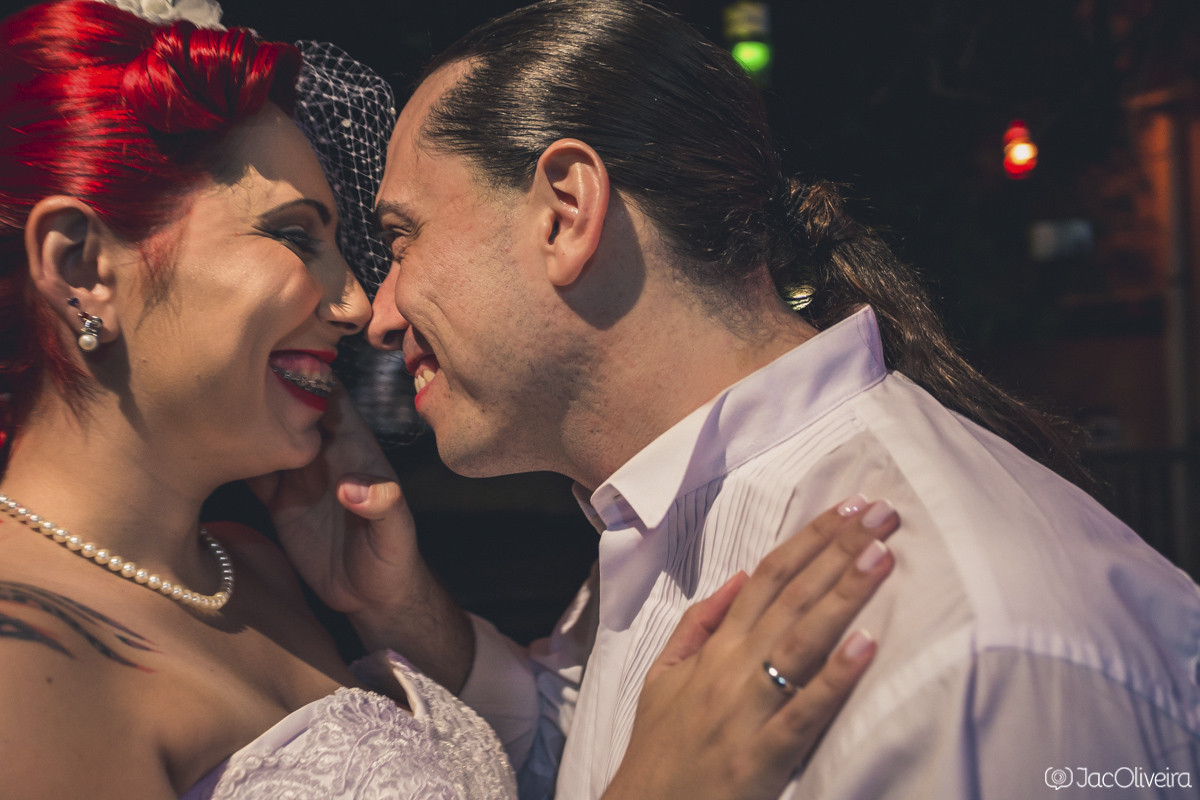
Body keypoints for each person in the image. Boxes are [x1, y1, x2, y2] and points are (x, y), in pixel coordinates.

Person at [0, 1, 901, 798]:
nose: (356, 305)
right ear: (83, 270)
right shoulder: (22, 666)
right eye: (291, 236)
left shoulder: (253, 573)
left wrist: (400, 610)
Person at [318, 0, 1200, 797]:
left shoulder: (965, 641)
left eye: (402, 238)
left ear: (564, 210)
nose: (379, 314)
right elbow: (585, 753)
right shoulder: (676, 514)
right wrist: (402, 607)